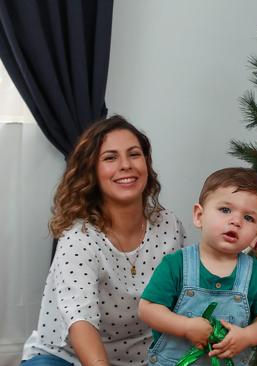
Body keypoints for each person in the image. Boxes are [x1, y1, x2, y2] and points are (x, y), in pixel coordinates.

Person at [21, 115, 185, 366]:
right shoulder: (78, 238)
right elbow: (81, 320)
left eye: (134, 154)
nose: (125, 165)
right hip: (66, 357)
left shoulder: (169, 226)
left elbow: (184, 300)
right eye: (110, 158)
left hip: (145, 358)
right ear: (92, 172)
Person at [138, 167, 257, 365]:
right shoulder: (175, 265)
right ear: (199, 216)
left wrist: (248, 336)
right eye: (225, 210)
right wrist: (185, 326)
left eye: (249, 218)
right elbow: (148, 309)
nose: (236, 221)